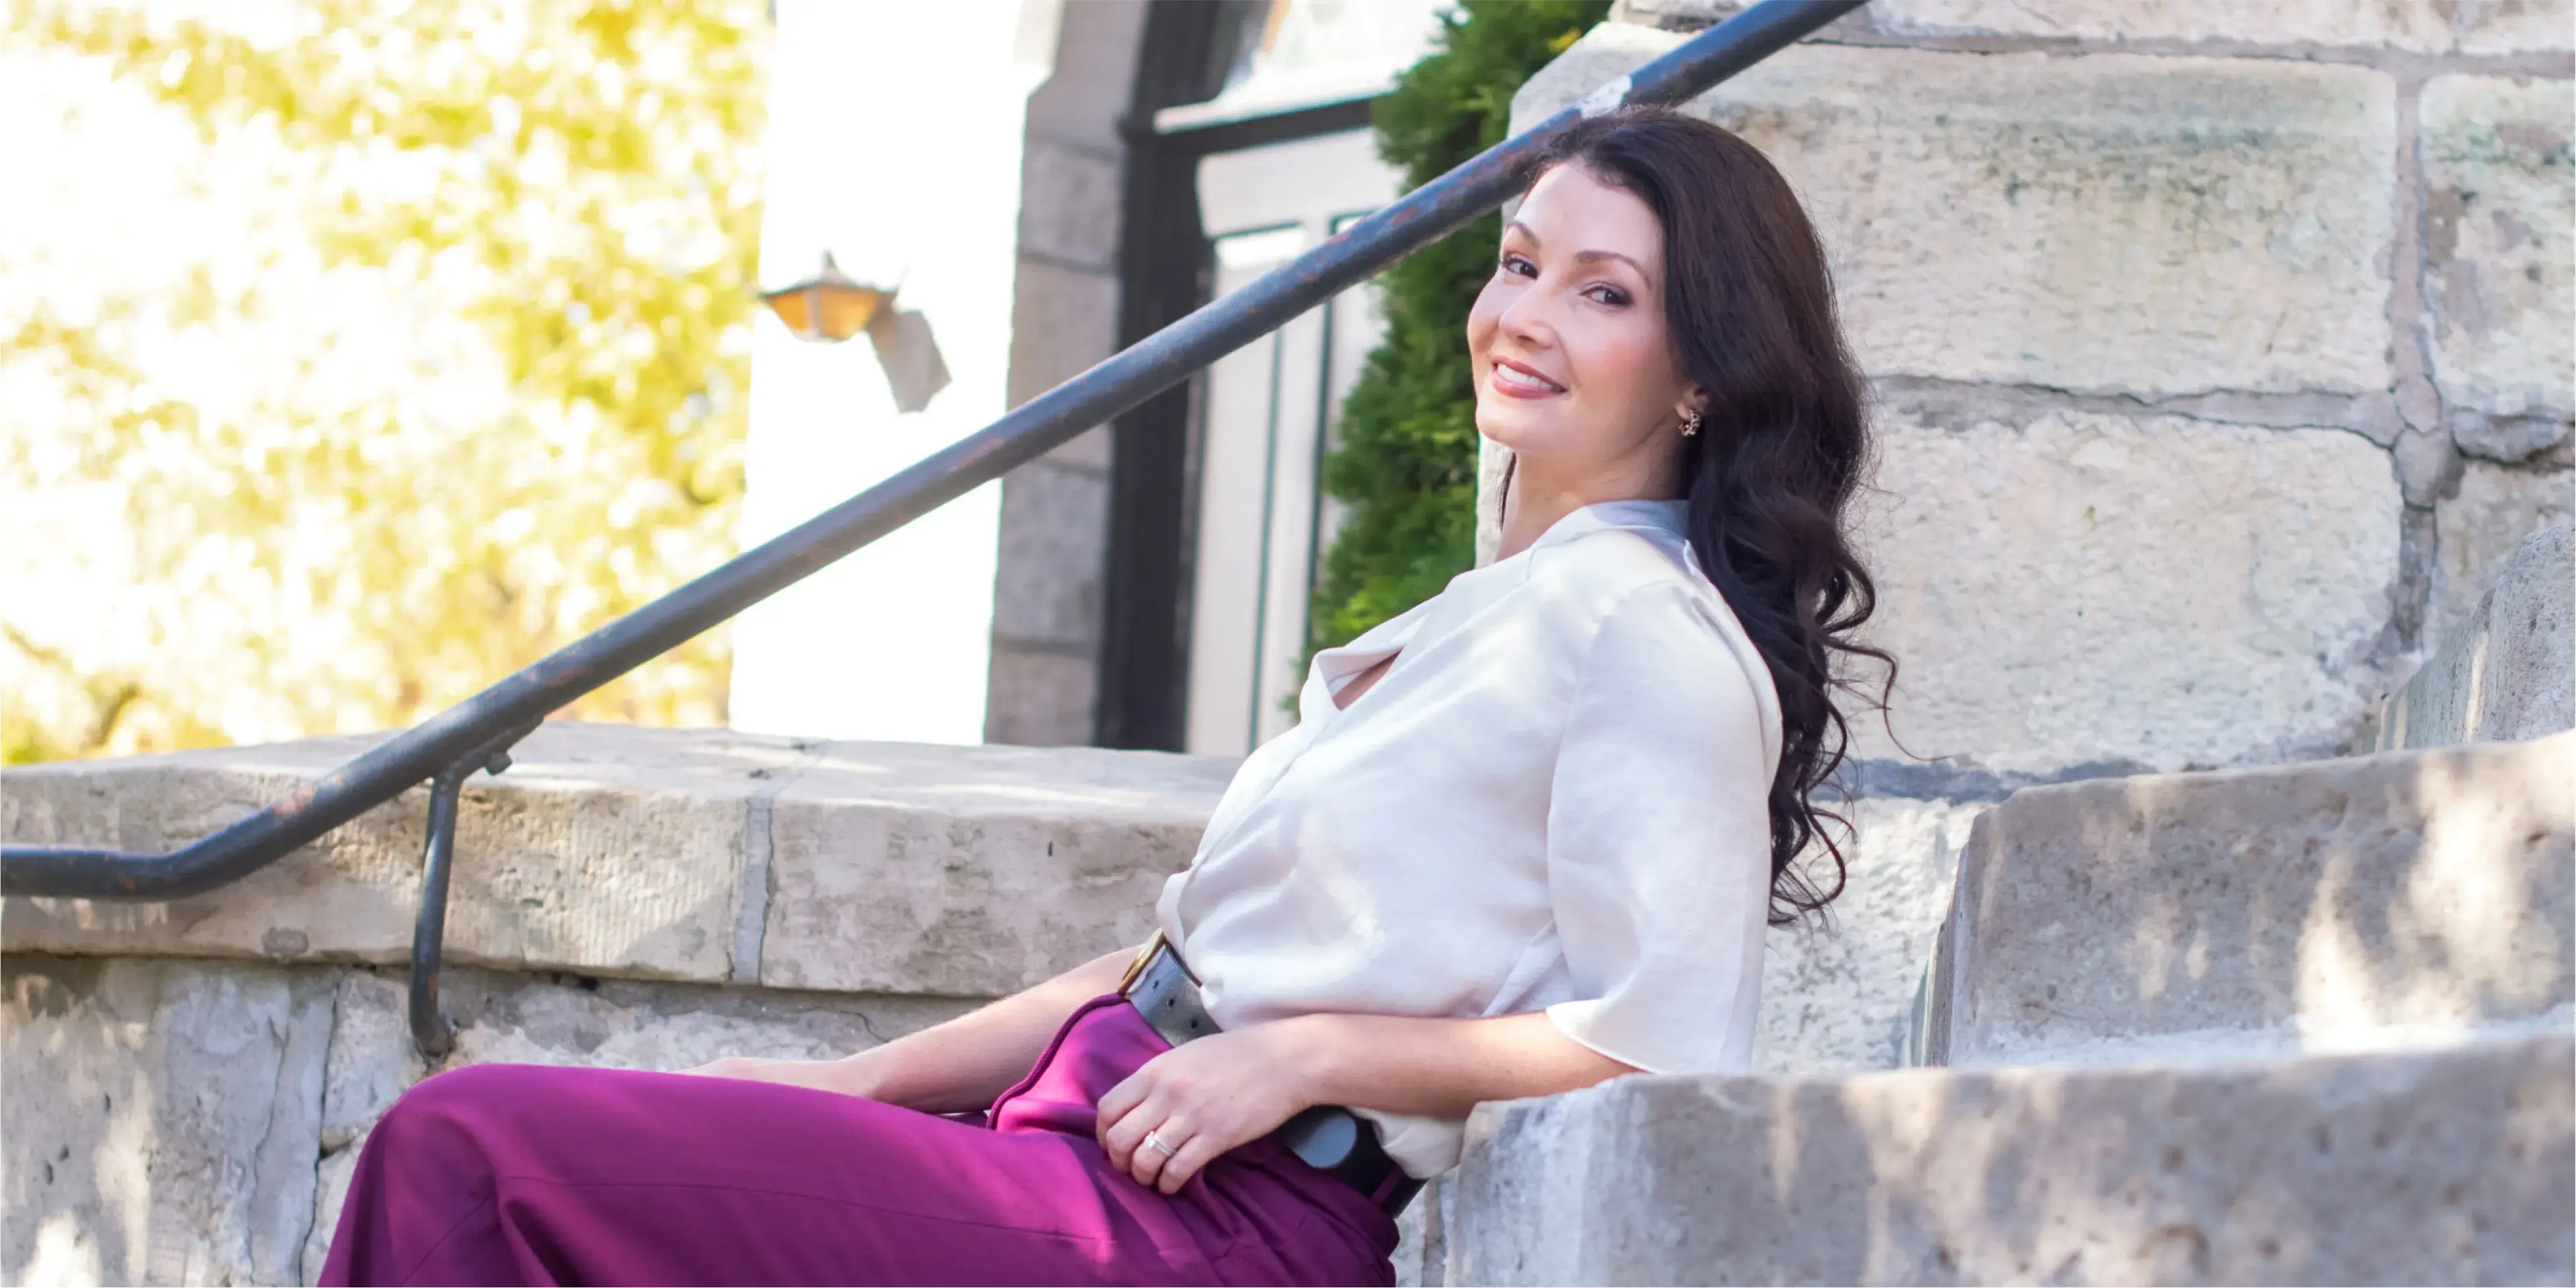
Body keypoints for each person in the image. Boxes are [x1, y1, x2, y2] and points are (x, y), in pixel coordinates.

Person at [315, 105, 1889, 1288]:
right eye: (1520, 262)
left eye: (1604, 294)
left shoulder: (1651, 636)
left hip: (1215, 1224)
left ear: (1703, 371)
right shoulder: (1493, 613)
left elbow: (1657, 1043)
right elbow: (1173, 966)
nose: (1525, 315)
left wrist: (1308, 1057)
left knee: (474, 1156)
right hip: (1088, 1139)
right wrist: (861, 1078)